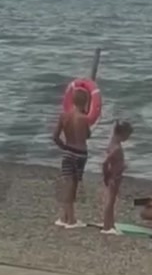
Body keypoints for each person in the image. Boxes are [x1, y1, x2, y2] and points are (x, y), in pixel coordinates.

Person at [53, 87, 92, 229]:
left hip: (68, 151)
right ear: (86, 102)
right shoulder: (84, 118)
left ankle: (65, 217)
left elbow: (55, 137)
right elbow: (87, 136)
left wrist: (64, 147)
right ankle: (71, 220)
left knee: (67, 184)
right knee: (72, 186)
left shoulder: (64, 116)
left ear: (72, 100)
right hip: (80, 154)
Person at [101, 119, 133, 234]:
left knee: (112, 201)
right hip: (114, 178)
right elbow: (105, 163)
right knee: (110, 201)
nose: (127, 139)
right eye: (127, 136)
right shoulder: (117, 148)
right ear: (122, 134)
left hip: (115, 176)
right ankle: (106, 227)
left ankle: (111, 225)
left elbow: (111, 162)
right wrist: (106, 176)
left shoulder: (113, 144)